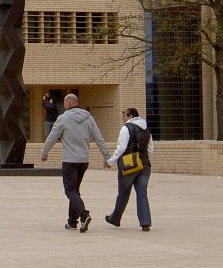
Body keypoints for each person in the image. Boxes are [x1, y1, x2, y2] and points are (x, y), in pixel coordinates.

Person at [40, 93, 111, 232]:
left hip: (69, 161)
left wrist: (44, 153)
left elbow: (52, 137)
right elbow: (99, 138)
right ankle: (72, 222)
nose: (64, 106)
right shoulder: (89, 118)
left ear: (69, 104)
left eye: (65, 103)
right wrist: (106, 156)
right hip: (83, 161)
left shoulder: (63, 118)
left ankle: (84, 215)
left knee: (70, 190)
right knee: (75, 191)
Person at [104, 107, 154, 231]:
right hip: (145, 165)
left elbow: (121, 148)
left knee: (123, 193)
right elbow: (150, 149)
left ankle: (115, 218)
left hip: (129, 164)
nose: (123, 118)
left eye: (124, 115)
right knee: (142, 194)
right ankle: (145, 222)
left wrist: (110, 161)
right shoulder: (146, 129)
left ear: (130, 116)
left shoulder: (127, 128)